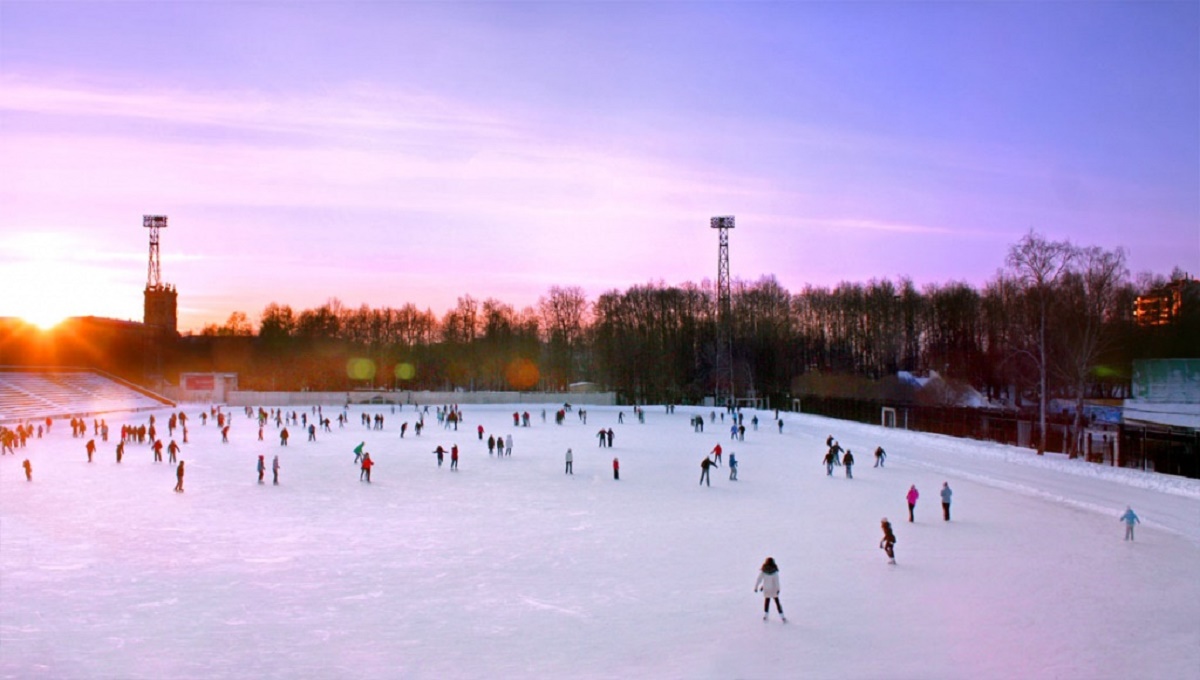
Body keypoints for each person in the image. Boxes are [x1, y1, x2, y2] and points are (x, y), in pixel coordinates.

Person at [754, 557, 787, 622]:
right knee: (777, 603)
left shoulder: (763, 571)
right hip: (773, 590)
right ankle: (782, 616)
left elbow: (759, 579)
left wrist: (756, 587)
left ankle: (766, 615)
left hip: (766, 589)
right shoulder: (775, 572)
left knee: (767, 601)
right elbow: (776, 582)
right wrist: (778, 589)